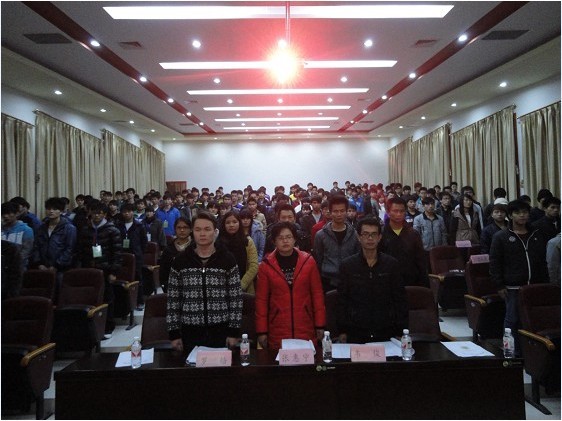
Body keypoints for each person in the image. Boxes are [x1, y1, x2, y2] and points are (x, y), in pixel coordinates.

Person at [167, 212, 243, 353]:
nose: (202, 234)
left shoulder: (227, 259)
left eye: (207, 229)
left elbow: (236, 299)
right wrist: (174, 333)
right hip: (190, 330)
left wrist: (233, 331)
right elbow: (173, 300)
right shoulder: (180, 261)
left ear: (215, 232)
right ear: (192, 232)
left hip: (221, 329)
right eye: (198, 229)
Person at [490, 199, 549, 355]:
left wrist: (545, 283)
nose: (522, 215)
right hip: (512, 286)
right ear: (510, 215)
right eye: (518, 213)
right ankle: (509, 351)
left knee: (533, 320)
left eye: (525, 212)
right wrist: (499, 285)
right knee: (512, 320)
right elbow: (495, 263)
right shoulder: (501, 237)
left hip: (534, 285)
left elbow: (542, 261)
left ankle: (531, 353)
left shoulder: (536, 234)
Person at [255, 222, 326, 350]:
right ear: (274, 241)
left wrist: (320, 324)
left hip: (305, 326)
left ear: (294, 239)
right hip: (278, 328)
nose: (285, 241)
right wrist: (262, 331)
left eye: (288, 237)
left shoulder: (308, 261)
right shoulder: (266, 265)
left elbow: (317, 295)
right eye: (280, 238)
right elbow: (261, 300)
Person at [337, 217, 408, 343]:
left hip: (386, 330)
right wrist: (342, 330)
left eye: (374, 234)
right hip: (356, 330)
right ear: (358, 237)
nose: (370, 238)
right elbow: (342, 301)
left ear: (380, 237)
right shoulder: (347, 266)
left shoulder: (391, 264)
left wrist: (401, 330)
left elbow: (400, 300)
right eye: (365, 234)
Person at [76, 201, 122, 337]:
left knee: (108, 298)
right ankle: (91, 329)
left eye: (99, 213)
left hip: (106, 268)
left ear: (104, 214)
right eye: (94, 213)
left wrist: (114, 271)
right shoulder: (85, 229)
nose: (96, 216)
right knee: (90, 297)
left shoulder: (112, 230)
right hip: (89, 269)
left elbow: (117, 253)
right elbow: (80, 250)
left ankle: (108, 326)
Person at [313, 195, 360, 292]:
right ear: (330, 212)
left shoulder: (354, 234)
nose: (339, 214)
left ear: (346, 211)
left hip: (350, 279)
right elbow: (319, 258)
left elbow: (357, 256)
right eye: (335, 211)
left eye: (342, 211)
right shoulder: (320, 235)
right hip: (327, 280)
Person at [379, 197, 429, 287]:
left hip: (411, 280)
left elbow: (420, 260)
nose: (399, 214)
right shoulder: (381, 234)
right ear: (388, 212)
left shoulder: (413, 234)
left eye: (402, 211)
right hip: (388, 281)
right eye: (395, 211)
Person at [31, 197, 77, 292]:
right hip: (43, 267)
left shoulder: (69, 228)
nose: (51, 211)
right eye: (48, 209)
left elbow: (69, 249)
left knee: (60, 293)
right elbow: (36, 246)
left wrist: (56, 265)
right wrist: (39, 263)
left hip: (61, 269)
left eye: (55, 209)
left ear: (61, 211)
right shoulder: (41, 228)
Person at [218, 211, 258, 294]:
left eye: (234, 222)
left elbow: (253, 266)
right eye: (228, 222)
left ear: (239, 223)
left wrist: (241, 285)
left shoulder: (247, 241)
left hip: (243, 288)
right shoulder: (218, 243)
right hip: (221, 288)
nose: (231, 225)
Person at [117, 203, 148, 309]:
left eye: (129, 211)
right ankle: (124, 304)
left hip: (136, 256)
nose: (127, 214)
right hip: (122, 256)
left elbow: (144, 242)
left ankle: (140, 301)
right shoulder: (118, 225)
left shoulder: (139, 225)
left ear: (133, 212)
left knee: (138, 278)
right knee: (123, 279)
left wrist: (139, 253)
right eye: (124, 212)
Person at [159, 217, 192, 293]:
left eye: (185, 227)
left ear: (191, 229)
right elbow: (163, 272)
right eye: (179, 228)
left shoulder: (195, 248)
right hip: (172, 288)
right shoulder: (168, 249)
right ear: (175, 229)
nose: (182, 230)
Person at [1, 201, 34, 272]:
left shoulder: (26, 230)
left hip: (18, 268)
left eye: (9, 213)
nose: (5, 216)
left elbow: (26, 251)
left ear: (17, 213)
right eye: (3, 213)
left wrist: (12, 263)